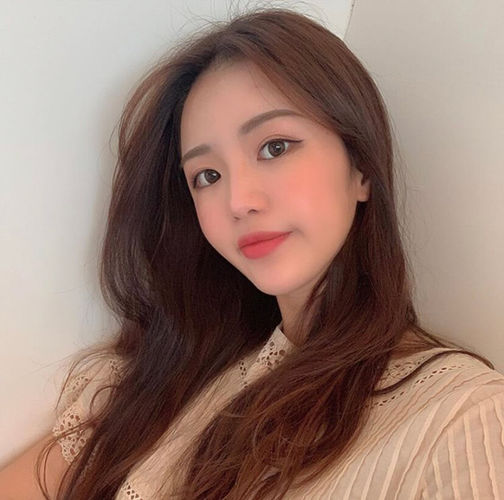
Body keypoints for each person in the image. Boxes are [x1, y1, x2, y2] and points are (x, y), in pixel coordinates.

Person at [1, 6, 503, 500]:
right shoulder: (172, 371)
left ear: (362, 168)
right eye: (207, 176)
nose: (238, 201)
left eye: (275, 147)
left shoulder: (460, 417)